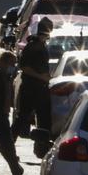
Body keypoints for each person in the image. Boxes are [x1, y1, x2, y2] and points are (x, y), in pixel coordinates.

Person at [12, 17, 53, 155]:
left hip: (39, 87)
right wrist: (42, 77)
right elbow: (25, 67)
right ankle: (9, 144)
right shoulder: (34, 46)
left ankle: (41, 149)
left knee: (43, 119)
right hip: (31, 88)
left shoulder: (40, 44)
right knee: (23, 117)